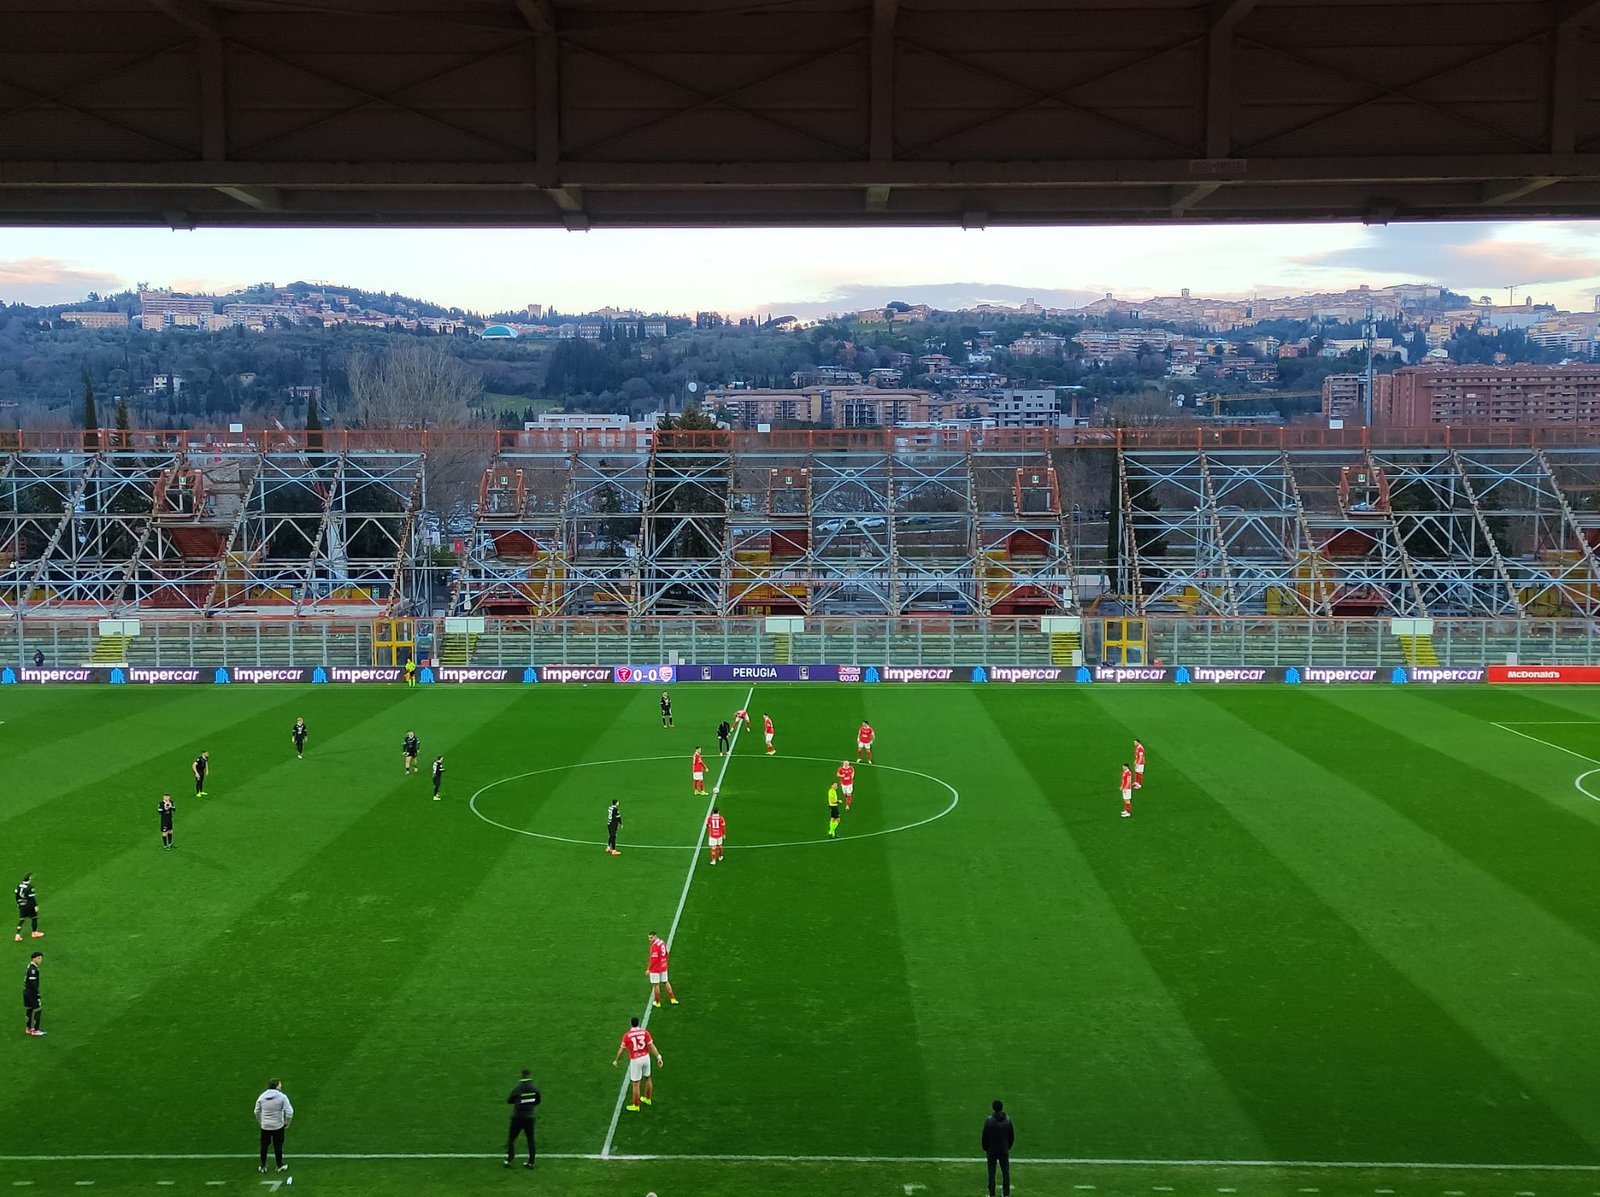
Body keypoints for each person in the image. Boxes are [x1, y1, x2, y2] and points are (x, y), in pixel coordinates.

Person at [612, 1016, 663, 1112]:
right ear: (638, 1023)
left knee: (636, 1084)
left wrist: (617, 1060)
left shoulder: (627, 1035)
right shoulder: (645, 1032)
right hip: (646, 1057)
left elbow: (621, 1050)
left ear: (631, 1023)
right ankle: (648, 1099)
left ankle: (636, 1105)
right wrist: (658, 1057)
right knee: (648, 1078)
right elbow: (651, 1046)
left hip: (636, 1060)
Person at [504, 1068, 541, 1169]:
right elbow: (538, 1101)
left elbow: (509, 1100)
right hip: (529, 1117)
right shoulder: (534, 1088)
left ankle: (509, 1159)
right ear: (530, 1075)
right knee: (530, 1139)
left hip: (517, 1117)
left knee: (512, 1138)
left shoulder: (518, 1088)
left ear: (521, 1075)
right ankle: (531, 1162)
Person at [254, 1079, 294, 1174]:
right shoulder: (282, 1097)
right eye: (280, 1085)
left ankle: (263, 1166)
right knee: (278, 1146)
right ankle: (279, 1165)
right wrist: (286, 1122)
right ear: (276, 1086)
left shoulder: (262, 1097)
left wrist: (261, 1122)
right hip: (278, 1126)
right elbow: (289, 1112)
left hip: (265, 1126)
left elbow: (256, 1112)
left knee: (264, 1146)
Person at [982, 1099, 1015, 1197]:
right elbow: (1011, 1137)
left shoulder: (989, 1121)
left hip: (991, 1150)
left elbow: (984, 1136)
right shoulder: (1008, 1120)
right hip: (1003, 1150)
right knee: (1005, 1172)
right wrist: (1007, 1147)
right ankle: (1006, 1194)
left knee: (991, 1172)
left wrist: (985, 1148)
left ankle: (991, 1194)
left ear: (993, 1108)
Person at [647, 932, 678, 1007]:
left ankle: (657, 1002)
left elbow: (654, 959)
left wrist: (649, 969)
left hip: (656, 968)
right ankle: (672, 998)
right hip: (663, 966)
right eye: (649, 938)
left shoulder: (654, 946)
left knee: (656, 985)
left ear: (655, 937)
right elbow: (666, 953)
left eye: (651, 938)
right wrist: (665, 962)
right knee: (665, 982)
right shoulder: (662, 942)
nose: (649, 940)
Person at [14, 873, 40, 941]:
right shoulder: (30, 887)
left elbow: (16, 895)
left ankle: (17, 935)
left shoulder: (19, 885)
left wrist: (18, 903)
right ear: (29, 878)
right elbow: (32, 898)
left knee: (22, 919)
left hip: (22, 905)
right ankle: (34, 933)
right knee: (34, 918)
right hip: (29, 905)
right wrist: (35, 906)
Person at [22, 951, 42, 1036]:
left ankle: (28, 1028)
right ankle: (35, 1030)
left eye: (41, 958)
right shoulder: (33, 969)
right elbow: (33, 983)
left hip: (26, 992)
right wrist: (37, 993)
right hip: (31, 993)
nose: (40, 960)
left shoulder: (29, 966)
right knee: (38, 1009)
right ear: (34, 959)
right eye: (39, 958)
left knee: (29, 1009)